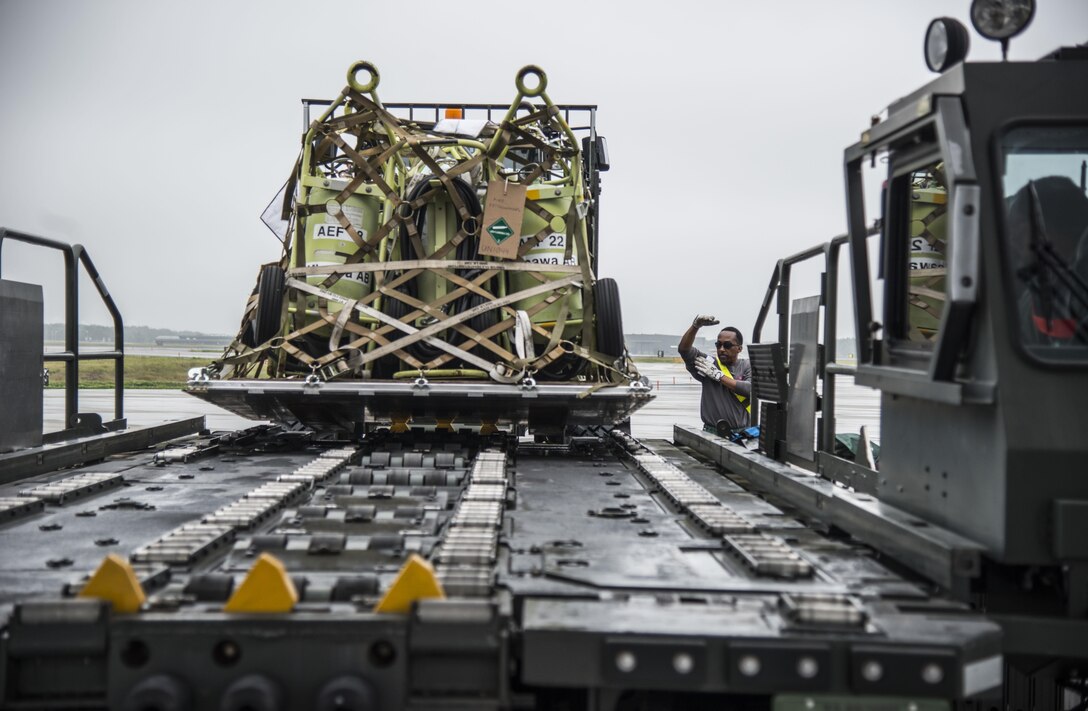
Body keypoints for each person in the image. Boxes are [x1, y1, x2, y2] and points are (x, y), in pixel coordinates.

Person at [678, 315, 752, 432]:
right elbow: (684, 350)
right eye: (718, 345)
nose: (722, 349)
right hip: (713, 433)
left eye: (727, 345)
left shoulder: (747, 366)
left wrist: (719, 376)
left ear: (739, 349)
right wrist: (695, 327)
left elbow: (750, 389)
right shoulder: (709, 364)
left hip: (742, 434)